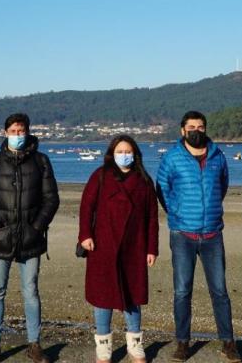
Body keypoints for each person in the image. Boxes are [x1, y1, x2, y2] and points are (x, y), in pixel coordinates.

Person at [0, 113, 60, 363]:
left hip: (31, 240)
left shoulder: (41, 162)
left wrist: (36, 227)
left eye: (21, 131)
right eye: (13, 131)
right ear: (5, 133)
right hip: (0, 240)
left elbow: (51, 199)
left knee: (31, 291)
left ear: (28, 132)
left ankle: (34, 344)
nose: (17, 135)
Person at [156, 111, 242, 363]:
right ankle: (182, 343)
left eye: (201, 126)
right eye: (191, 126)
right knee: (182, 291)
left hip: (213, 234)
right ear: (182, 130)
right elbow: (162, 189)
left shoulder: (217, 156)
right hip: (183, 233)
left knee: (220, 291)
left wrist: (211, 210)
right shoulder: (172, 158)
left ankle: (228, 342)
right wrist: (178, 212)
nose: (196, 130)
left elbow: (222, 185)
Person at [78, 135, 159, 363]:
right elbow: (86, 207)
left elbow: (152, 217)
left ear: (135, 154)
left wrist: (151, 248)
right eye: (120, 150)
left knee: (132, 296)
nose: (125, 154)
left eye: (129, 150)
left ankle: (135, 346)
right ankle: (103, 346)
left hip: (135, 247)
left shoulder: (144, 180)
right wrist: (85, 235)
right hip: (103, 245)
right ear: (112, 154)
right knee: (103, 297)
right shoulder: (100, 176)